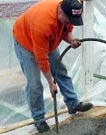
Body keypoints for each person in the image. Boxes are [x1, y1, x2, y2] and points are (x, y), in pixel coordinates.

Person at [12, 0, 93, 133]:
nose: (70, 22)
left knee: (61, 71)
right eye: (69, 19)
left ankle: (73, 104)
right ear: (60, 12)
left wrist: (71, 40)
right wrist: (51, 83)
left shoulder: (67, 10)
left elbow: (67, 29)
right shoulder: (42, 24)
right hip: (26, 42)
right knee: (34, 83)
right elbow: (42, 58)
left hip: (47, 40)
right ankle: (39, 119)